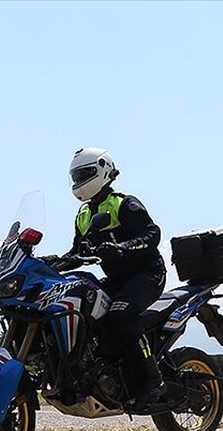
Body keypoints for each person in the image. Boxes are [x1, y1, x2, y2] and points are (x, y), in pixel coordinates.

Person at [62, 147, 166, 410]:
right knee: (84, 312)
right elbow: (77, 252)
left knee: (120, 315)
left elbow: (152, 235)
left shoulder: (124, 203)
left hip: (147, 273)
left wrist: (123, 247)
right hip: (118, 279)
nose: (79, 181)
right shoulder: (84, 215)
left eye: (85, 173)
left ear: (102, 170)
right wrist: (50, 262)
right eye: (76, 175)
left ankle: (154, 380)